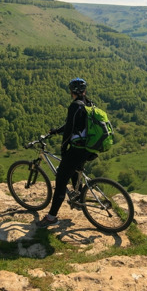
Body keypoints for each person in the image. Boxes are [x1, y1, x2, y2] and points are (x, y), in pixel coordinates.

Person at [37, 78, 97, 227]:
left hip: (77, 149)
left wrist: (63, 149)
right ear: (84, 91)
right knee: (76, 171)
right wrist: (56, 131)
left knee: (61, 181)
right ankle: (78, 199)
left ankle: (51, 218)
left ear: (71, 91)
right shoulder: (88, 103)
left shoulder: (74, 106)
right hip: (88, 147)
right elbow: (73, 124)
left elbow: (70, 129)